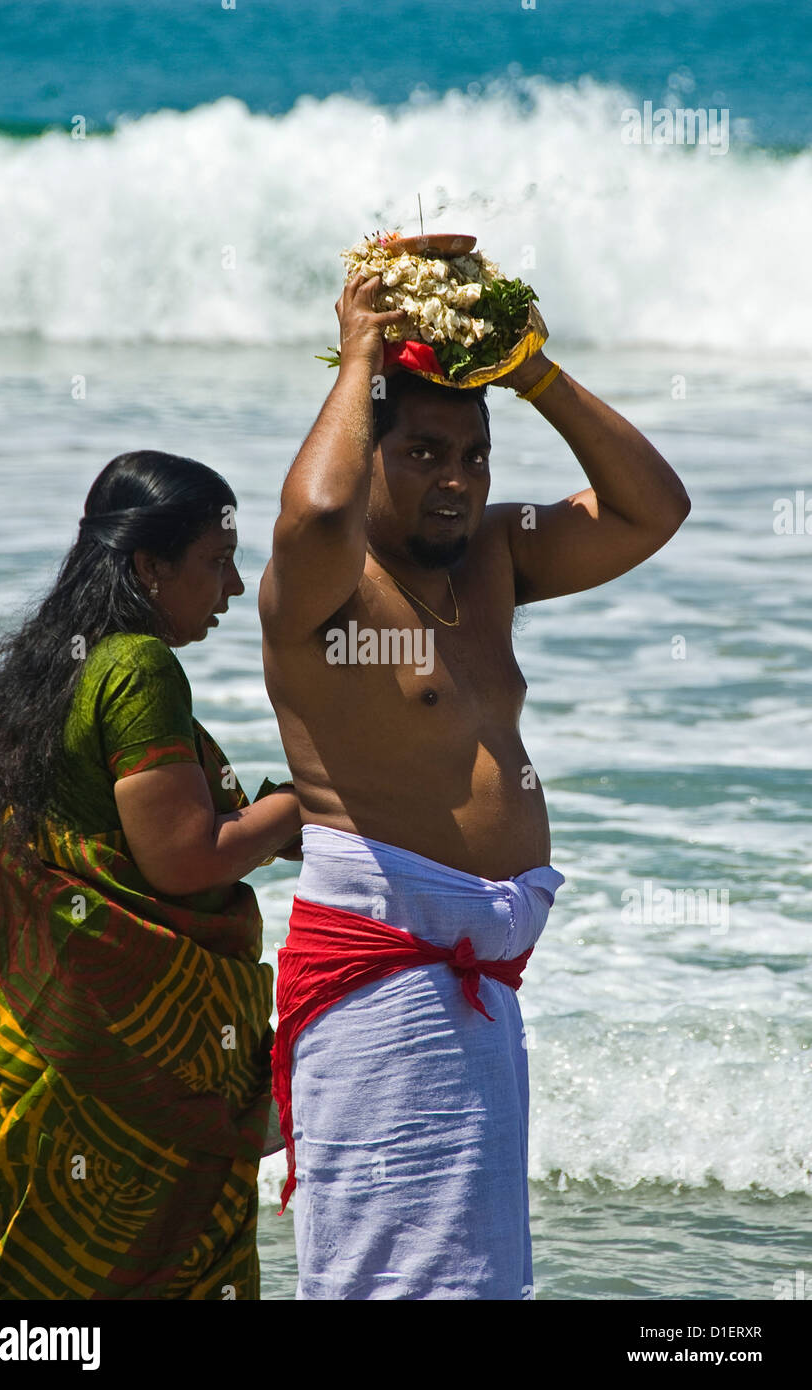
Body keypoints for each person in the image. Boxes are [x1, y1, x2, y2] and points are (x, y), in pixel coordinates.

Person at [260, 273, 691, 1300]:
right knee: (386, 1278)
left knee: (474, 1280)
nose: (453, 480)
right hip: (382, 974)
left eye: (472, 456)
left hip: (478, 982)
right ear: (364, 452)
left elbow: (652, 508)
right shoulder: (322, 583)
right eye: (419, 454)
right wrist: (361, 351)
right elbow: (315, 508)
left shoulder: (494, 557)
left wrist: (531, 369)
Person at [0, 450, 301, 1300]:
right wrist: (299, 807)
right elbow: (183, 860)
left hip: (24, 1026)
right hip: (108, 1057)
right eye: (217, 562)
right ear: (149, 565)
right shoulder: (138, 665)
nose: (230, 587)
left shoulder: (46, 670)